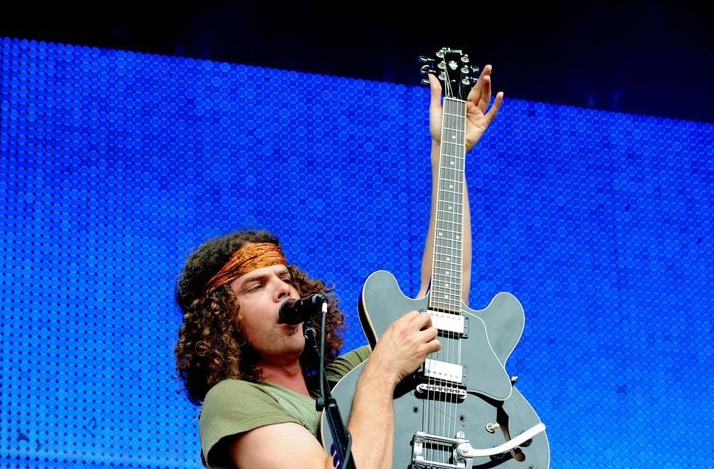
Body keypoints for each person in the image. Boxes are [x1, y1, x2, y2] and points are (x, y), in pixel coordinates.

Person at [174, 64, 504, 469]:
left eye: (285, 278)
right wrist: (382, 372)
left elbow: (442, 309)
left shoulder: (344, 379)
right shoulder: (234, 399)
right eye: (255, 286)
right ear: (221, 319)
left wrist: (447, 153)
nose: (285, 290)